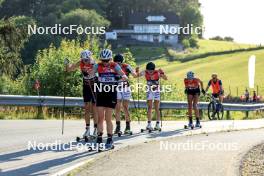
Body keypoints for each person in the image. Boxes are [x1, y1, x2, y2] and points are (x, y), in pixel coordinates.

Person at [91, 49, 128, 148]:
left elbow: (125, 77)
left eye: (107, 60)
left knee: (108, 118)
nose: (105, 62)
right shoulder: (97, 65)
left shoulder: (114, 65)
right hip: (101, 93)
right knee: (100, 118)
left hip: (111, 94)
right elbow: (90, 74)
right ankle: (99, 138)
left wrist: (118, 78)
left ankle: (110, 138)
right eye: (103, 60)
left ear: (110, 59)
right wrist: (93, 76)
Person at [66, 50, 98, 138]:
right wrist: (66, 64)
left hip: (95, 85)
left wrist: (89, 73)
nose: (85, 61)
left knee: (95, 107)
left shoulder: (94, 63)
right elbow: (69, 69)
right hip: (86, 86)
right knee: (87, 107)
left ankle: (96, 128)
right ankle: (87, 129)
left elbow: (97, 73)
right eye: (84, 59)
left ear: (90, 58)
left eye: (86, 59)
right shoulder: (80, 62)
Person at [137, 62, 167, 131]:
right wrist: (137, 71)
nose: (150, 72)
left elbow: (165, 78)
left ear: (154, 69)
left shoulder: (158, 72)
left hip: (157, 91)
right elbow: (136, 76)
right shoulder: (145, 72)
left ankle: (157, 124)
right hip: (149, 90)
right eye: (148, 70)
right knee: (149, 107)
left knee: (157, 107)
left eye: (151, 71)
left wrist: (162, 73)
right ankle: (149, 124)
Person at [113, 54, 138, 134]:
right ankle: (118, 127)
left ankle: (128, 127)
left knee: (125, 107)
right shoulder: (112, 66)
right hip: (117, 88)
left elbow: (134, 75)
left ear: (122, 62)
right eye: (116, 62)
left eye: (119, 63)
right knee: (117, 108)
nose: (118, 64)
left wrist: (135, 72)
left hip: (126, 88)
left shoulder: (127, 66)